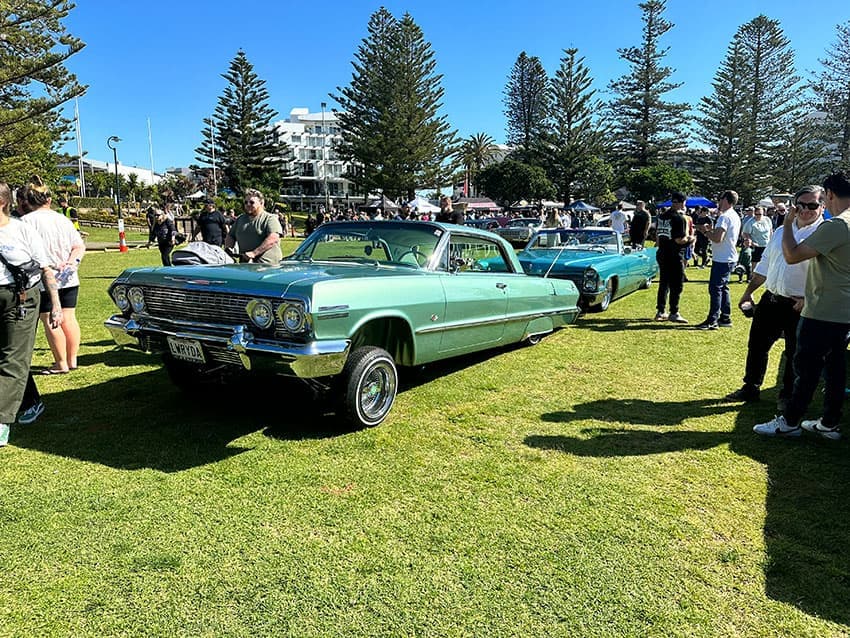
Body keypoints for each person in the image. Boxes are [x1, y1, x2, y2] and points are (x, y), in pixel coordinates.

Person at [754, 172, 850, 439]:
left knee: (806, 367)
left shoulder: (837, 225)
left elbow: (793, 255)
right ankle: (829, 423)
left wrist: (786, 225)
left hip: (823, 309)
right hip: (843, 310)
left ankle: (790, 421)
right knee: (835, 368)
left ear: (829, 195)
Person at [726, 185, 824, 409]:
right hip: (771, 299)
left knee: (794, 352)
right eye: (802, 205)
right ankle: (750, 387)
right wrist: (748, 292)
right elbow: (766, 265)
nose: (807, 210)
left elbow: (827, 276)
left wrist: (809, 298)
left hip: (799, 304)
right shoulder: (781, 231)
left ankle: (787, 395)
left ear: (822, 206)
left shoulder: (823, 234)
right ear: (794, 207)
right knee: (757, 346)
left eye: (813, 205)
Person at [1, 182, 63, 445]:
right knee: (8, 356)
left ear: (2, 203)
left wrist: (56, 305)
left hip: (21, 299)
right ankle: (31, 401)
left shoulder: (21, 230)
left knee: (12, 358)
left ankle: (1, 422)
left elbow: (46, 269)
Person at [17, 179, 86, 374]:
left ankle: (60, 362)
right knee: (69, 317)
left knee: (49, 318)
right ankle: (72, 360)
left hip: (43, 279)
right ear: (48, 199)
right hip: (68, 276)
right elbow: (79, 246)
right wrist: (72, 263)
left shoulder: (25, 223)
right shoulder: (62, 219)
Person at [694, 190, 741, 329]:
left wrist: (705, 231)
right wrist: (711, 230)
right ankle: (725, 317)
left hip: (722, 258)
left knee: (715, 288)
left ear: (725, 200)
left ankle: (712, 320)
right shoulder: (734, 215)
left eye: (720, 199)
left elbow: (718, 238)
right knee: (723, 287)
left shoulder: (724, 217)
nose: (718, 202)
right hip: (729, 257)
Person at [654, 193, 692, 323]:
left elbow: (658, 237)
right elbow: (680, 240)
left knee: (664, 283)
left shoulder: (662, 216)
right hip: (675, 255)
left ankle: (660, 311)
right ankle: (674, 312)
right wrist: (691, 240)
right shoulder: (679, 218)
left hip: (662, 252)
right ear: (682, 203)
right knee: (677, 284)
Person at [225, 189, 282, 264]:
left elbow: (273, 239)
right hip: (245, 265)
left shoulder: (270, 219)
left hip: (267, 266)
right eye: (246, 202)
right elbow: (231, 236)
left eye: (252, 202)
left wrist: (254, 253)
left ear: (261, 203)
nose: (248, 204)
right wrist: (228, 249)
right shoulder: (240, 219)